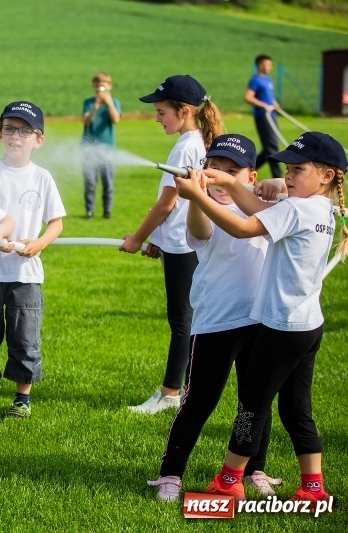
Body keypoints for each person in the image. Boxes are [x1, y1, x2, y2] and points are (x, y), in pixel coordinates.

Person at [176, 131, 347, 502]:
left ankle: (228, 482)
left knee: (251, 407)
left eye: (297, 169)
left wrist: (198, 197)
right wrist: (224, 181)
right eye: (286, 168)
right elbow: (261, 209)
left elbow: (242, 227)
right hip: (309, 327)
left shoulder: (295, 208)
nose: (287, 177)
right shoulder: (323, 209)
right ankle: (312, 487)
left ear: (327, 175)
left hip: (279, 328)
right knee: (296, 408)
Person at [147, 134, 280, 501]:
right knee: (198, 401)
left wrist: (279, 183)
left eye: (231, 171)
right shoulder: (204, 209)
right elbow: (199, 231)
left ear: (251, 177)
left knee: (255, 403)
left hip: (261, 321)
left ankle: (256, 469)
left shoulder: (265, 210)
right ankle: (170, 475)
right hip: (215, 324)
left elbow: (298, 197)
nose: (219, 176)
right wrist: (195, 198)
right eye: (213, 168)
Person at [120, 74, 225, 414]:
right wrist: (157, 241)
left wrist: (138, 238)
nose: (157, 117)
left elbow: (167, 203)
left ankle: (169, 394)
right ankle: (185, 390)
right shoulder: (200, 143)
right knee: (189, 320)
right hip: (183, 242)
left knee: (183, 321)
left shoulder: (185, 146)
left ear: (184, 110)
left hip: (183, 246)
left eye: (162, 111)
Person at [0, 101, 66, 419]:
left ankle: (22, 398)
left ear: (38, 139)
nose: (16, 136)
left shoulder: (42, 178)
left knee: (25, 337)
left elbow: (56, 222)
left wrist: (38, 243)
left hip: (26, 274)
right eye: (9, 129)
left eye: (25, 131)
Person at [81, 72, 121, 219]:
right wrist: (95, 107)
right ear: (93, 87)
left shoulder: (114, 102)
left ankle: (107, 211)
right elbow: (85, 121)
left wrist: (108, 103)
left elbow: (116, 119)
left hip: (107, 149)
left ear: (109, 86)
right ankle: (89, 211)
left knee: (108, 183)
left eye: (103, 85)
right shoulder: (89, 102)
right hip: (88, 149)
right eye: (97, 85)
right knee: (90, 182)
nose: (100, 88)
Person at [245, 54, 282, 180]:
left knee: (269, 149)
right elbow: (248, 97)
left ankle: (246, 169)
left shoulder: (268, 80)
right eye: (267, 65)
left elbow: (269, 97)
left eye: (270, 65)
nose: (269, 67)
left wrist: (274, 103)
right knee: (272, 148)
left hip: (272, 116)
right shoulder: (255, 80)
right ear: (260, 65)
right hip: (263, 117)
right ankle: (278, 176)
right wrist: (264, 105)